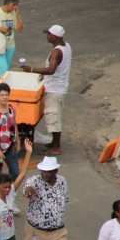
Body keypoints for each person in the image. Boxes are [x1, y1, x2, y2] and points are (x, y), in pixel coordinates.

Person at [21, 25, 71, 156]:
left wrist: (31, 69)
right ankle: (54, 143)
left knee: (53, 117)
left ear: (55, 36)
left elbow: (51, 70)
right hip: (59, 87)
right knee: (54, 116)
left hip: (55, 89)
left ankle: (56, 147)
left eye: (48, 34)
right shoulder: (67, 47)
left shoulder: (56, 52)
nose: (47, 36)